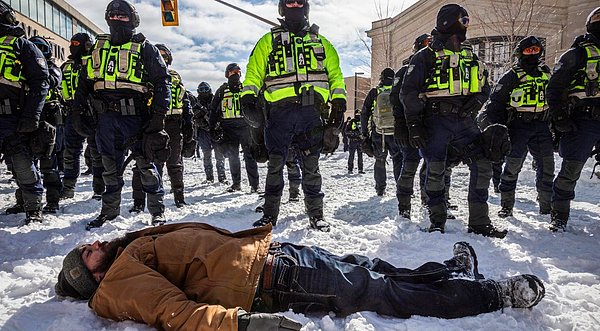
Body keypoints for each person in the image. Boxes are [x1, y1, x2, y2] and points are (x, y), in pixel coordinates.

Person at [54, 222, 545, 330]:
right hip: (275, 279)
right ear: (89, 278)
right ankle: (494, 296)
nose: (93, 244)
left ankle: (450, 273)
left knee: (375, 269)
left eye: (89, 244)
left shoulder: (125, 253)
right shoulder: (119, 282)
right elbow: (174, 313)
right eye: (86, 254)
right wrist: (243, 325)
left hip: (276, 257)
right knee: (384, 292)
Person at [400, 4, 507, 237]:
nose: (466, 25)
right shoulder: (425, 56)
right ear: (448, 22)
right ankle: (437, 221)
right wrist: (415, 126)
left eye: (467, 20)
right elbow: (408, 93)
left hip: (466, 121)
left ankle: (479, 222)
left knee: (483, 163)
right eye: (462, 20)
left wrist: (478, 101)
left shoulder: (471, 56)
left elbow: (484, 85)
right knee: (436, 170)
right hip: (436, 120)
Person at [242, 0, 347, 231]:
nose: (295, 5)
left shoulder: (322, 42)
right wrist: (247, 97)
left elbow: (336, 77)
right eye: (290, 2)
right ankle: (270, 216)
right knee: (275, 165)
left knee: (311, 166)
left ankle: (316, 214)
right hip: (280, 113)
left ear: (306, 7)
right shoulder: (268, 41)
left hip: (312, 113)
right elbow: (253, 74)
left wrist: (339, 102)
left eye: (300, 2)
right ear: (282, 8)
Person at [72, 0, 171, 229]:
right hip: (104, 119)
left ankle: (157, 212)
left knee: (146, 166)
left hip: (136, 118)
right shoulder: (98, 47)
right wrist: (77, 111)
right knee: (109, 168)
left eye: (122, 16)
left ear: (133, 19)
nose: (116, 19)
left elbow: (162, 81)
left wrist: (158, 116)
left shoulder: (145, 47)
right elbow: (84, 83)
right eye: (112, 15)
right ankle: (109, 212)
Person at [485, 36, 554, 218]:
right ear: (520, 53)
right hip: (518, 126)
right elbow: (495, 103)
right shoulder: (512, 75)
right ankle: (506, 206)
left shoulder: (546, 73)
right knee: (512, 167)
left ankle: (546, 207)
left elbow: (556, 97)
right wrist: (499, 129)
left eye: (535, 50)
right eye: (528, 50)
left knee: (547, 167)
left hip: (542, 125)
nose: (532, 53)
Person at [548, 7, 600, 232]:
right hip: (584, 119)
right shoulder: (577, 54)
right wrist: (559, 116)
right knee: (571, 169)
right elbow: (555, 87)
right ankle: (559, 216)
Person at [0, 0, 49, 224]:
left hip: (13, 117)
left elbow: (41, 82)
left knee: (21, 163)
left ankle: (32, 208)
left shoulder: (23, 45)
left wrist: (32, 116)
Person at [130, 43, 193, 213]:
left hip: (174, 124)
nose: (162, 58)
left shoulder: (176, 78)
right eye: (159, 54)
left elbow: (185, 104)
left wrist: (189, 129)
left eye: (165, 55)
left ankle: (179, 198)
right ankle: (138, 201)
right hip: (150, 123)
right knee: (144, 163)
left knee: (175, 163)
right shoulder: (143, 74)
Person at [60, 33, 106, 201]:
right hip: (72, 111)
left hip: (93, 112)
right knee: (70, 152)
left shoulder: (95, 62)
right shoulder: (66, 66)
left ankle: (99, 189)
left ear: (87, 45)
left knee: (97, 152)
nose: (73, 46)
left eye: (77, 43)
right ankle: (68, 188)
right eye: (72, 43)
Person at [209, 63, 260, 193]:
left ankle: (255, 185)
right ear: (227, 74)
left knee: (250, 156)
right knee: (233, 156)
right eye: (232, 71)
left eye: (238, 71)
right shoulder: (221, 90)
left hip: (245, 126)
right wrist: (212, 128)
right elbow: (214, 110)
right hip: (228, 127)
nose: (236, 73)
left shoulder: (245, 87)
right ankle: (236, 184)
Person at [28, 36, 64, 214]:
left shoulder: (53, 69)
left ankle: (52, 201)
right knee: (26, 164)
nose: (38, 51)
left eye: (41, 48)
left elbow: (51, 81)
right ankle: (25, 202)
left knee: (49, 164)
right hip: (28, 118)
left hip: (48, 119)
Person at [361, 68, 402, 196]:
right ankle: (401, 187)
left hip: (379, 133)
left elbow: (364, 113)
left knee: (379, 161)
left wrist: (364, 133)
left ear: (381, 78)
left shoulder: (374, 92)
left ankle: (380, 189)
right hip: (396, 132)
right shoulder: (398, 91)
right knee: (398, 160)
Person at [193, 81, 228, 184]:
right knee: (207, 155)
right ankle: (209, 178)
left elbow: (222, 112)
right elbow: (195, 117)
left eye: (205, 89)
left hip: (216, 130)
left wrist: (216, 124)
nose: (204, 91)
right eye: (201, 89)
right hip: (204, 132)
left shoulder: (215, 100)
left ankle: (222, 177)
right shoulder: (197, 103)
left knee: (219, 155)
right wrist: (204, 124)